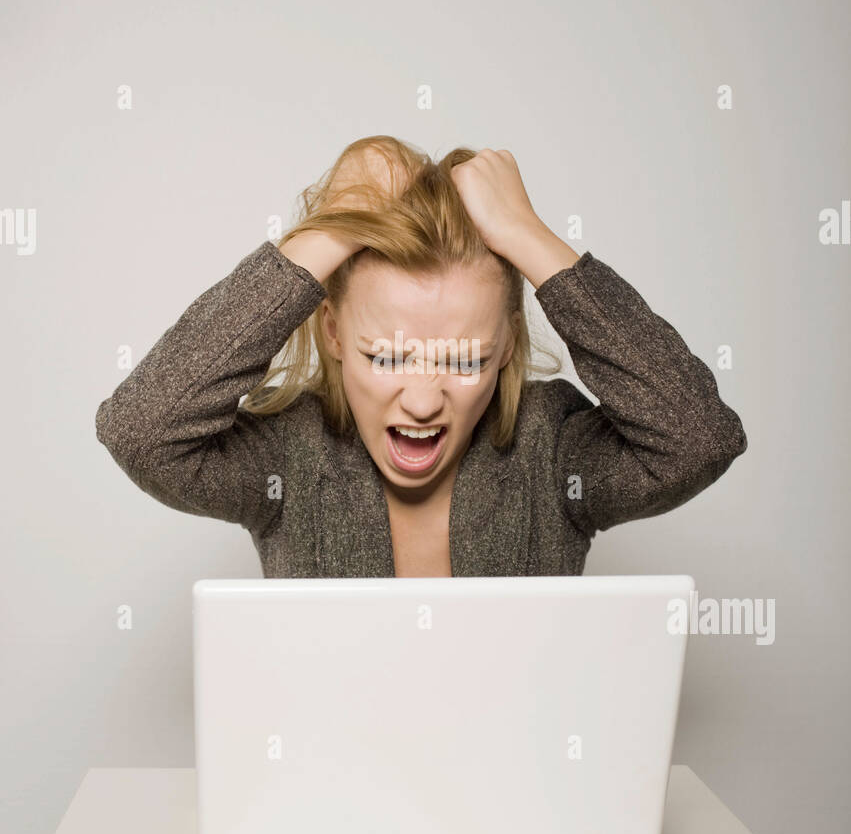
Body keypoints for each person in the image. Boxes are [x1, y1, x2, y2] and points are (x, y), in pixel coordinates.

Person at [95, 137, 747, 578]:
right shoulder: (287, 459)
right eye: (388, 357)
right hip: (330, 783)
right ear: (333, 333)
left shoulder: (551, 452)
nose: (424, 400)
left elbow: (698, 439)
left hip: (518, 784)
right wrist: (331, 230)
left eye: (465, 361)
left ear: (508, 346)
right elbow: (142, 431)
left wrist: (531, 238)